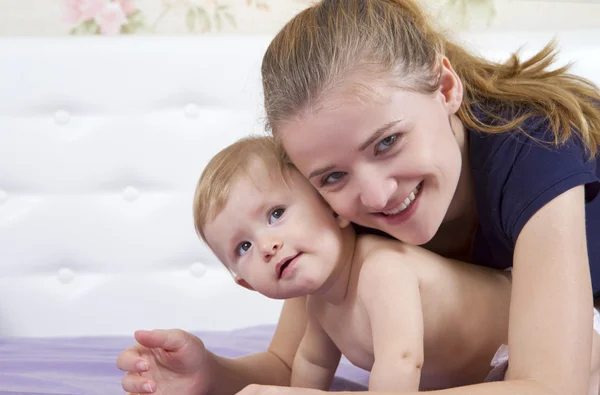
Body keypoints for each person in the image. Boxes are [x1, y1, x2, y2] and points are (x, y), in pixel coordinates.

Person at [117, 0, 600, 394]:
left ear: (446, 87)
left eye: (388, 142)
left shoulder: (537, 147)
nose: (376, 194)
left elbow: (554, 385)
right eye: (330, 177)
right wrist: (210, 375)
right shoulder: (340, 203)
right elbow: (293, 363)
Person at [194, 135, 515, 392]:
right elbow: (312, 365)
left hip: (521, 341)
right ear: (247, 283)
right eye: (243, 247)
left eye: (276, 214)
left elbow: (401, 361)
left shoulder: (381, 270)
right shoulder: (320, 307)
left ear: (334, 209)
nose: (266, 246)